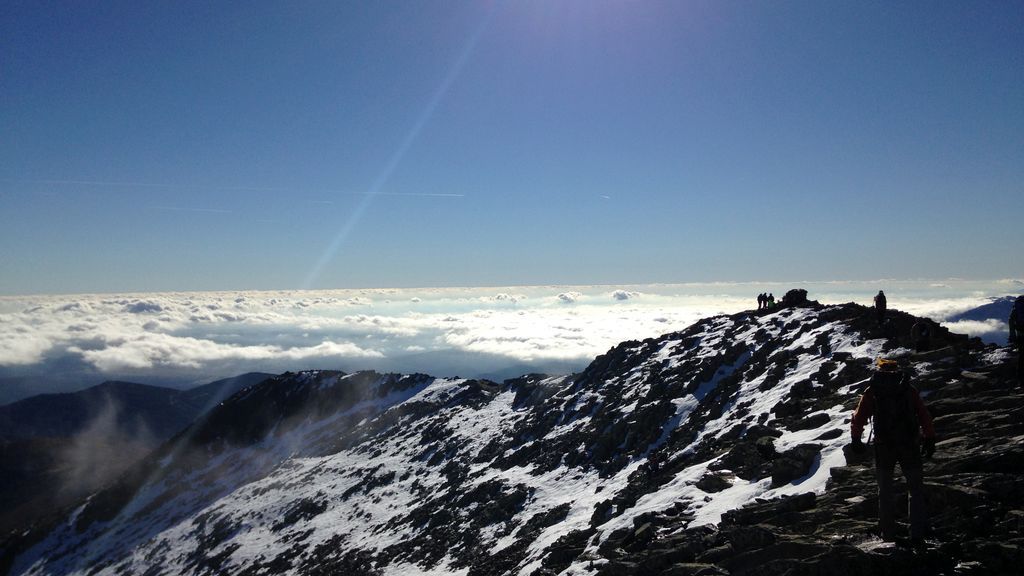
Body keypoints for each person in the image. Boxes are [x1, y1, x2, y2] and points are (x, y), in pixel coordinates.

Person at [850, 358, 936, 547]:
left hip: (884, 445)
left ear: (879, 369)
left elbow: (859, 416)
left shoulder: (873, 390)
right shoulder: (908, 388)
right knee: (915, 489)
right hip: (909, 444)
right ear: (897, 369)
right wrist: (929, 437)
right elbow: (923, 414)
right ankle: (917, 534)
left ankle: (888, 534)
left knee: (885, 490)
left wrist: (856, 438)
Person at [1010, 296, 1024, 387]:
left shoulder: (1015, 310)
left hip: (1021, 336)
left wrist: (1012, 336)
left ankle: (1021, 380)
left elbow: (1011, 321)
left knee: (1022, 358)